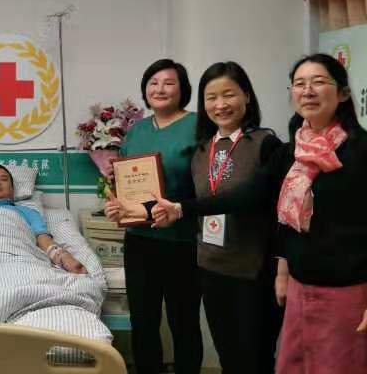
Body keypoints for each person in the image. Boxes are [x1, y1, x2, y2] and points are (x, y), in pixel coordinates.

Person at [154, 54, 367, 374]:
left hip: (347, 288)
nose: (308, 90)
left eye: (319, 82)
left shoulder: (359, 150)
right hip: (300, 283)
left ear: (343, 93)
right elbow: (256, 198)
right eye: (299, 84)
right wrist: (181, 208)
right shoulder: (293, 151)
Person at [103, 58, 202, 374]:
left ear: (183, 89)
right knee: (143, 321)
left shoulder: (199, 126)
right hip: (140, 240)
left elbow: (209, 185)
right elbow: (126, 183)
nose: (160, 89)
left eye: (169, 83)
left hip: (182, 240)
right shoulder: (137, 131)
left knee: (183, 321)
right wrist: (115, 190)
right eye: (153, 83)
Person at [187, 62, 282, 373]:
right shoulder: (201, 151)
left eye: (229, 94)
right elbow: (192, 203)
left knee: (255, 359)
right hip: (212, 266)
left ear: (247, 96)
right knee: (227, 355)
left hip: (254, 270)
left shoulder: (266, 144)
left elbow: (270, 205)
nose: (220, 104)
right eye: (211, 97)